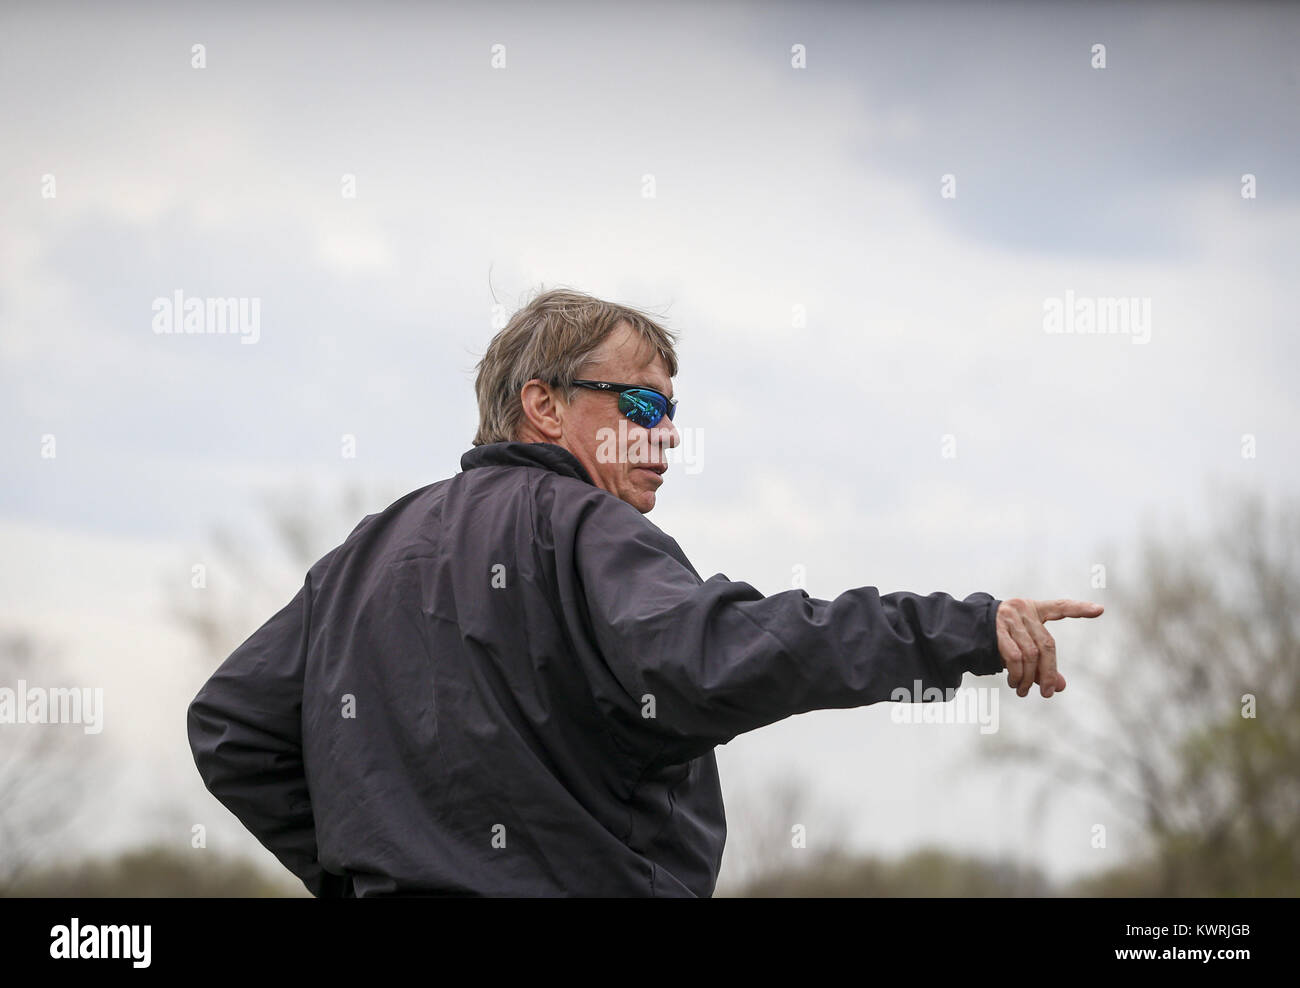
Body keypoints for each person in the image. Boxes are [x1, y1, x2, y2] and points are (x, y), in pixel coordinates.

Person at [187, 287, 1103, 897]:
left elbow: (233, 727)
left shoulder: (367, 552)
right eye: (643, 407)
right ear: (545, 407)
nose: (665, 439)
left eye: (674, 415)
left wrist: (370, 872)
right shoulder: (585, 526)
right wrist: (966, 628)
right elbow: (733, 652)